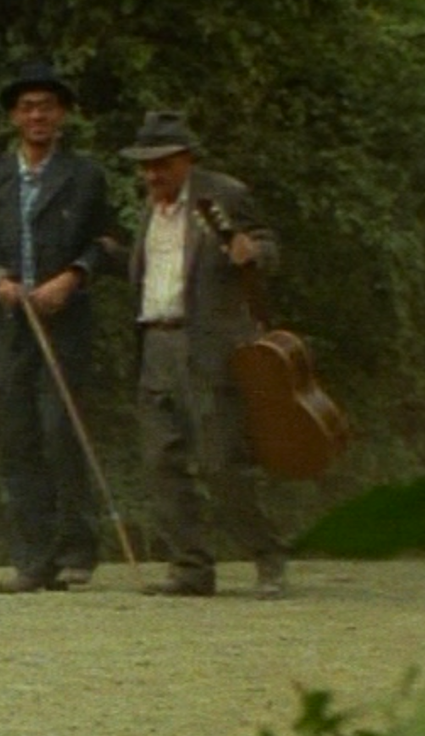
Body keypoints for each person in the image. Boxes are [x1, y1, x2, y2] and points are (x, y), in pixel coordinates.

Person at [118, 110, 289, 598]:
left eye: (162, 163)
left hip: (209, 345)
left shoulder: (223, 194)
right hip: (155, 341)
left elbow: (268, 245)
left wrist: (252, 251)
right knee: (161, 460)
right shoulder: (148, 208)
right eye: (145, 165)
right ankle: (191, 568)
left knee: (221, 462)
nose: (152, 174)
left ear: (187, 158)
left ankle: (268, 555)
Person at [0, 62, 111, 593]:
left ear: (61, 114)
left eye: (47, 106)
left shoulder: (85, 175)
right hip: (8, 326)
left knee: (60, 431)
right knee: (18, 438)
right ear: (14, 117)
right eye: (27, 107)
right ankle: (32, 559)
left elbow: (107, 243)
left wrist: (72, 277)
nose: (37, 115)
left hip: (63, 323)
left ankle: (76, 552)